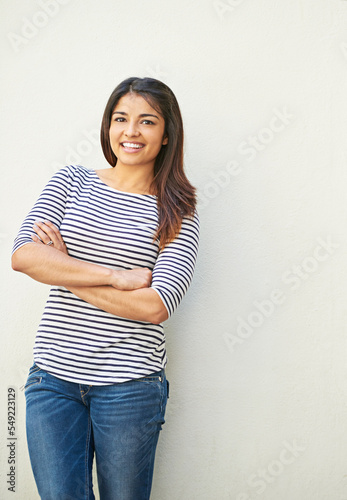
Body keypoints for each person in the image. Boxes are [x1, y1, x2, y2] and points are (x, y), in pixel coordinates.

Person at [11, 77, 200, 500]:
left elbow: (154, 306)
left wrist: (63, 269)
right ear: (108, 125)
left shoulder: (177, 210)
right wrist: (116, 276)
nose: (131, 132)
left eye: (146, 121)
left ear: (167, 134)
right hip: (52, 382)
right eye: (121, 118)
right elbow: (24, 256)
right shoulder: (71, 182)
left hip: (130, 387)